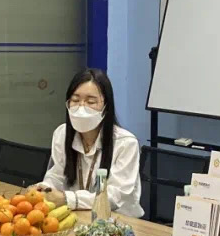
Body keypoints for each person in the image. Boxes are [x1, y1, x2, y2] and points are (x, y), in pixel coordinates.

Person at [37, 68, 142, 218]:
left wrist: (67, 199)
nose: (81, 107)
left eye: (90, 102)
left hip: (117, 221)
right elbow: (57, 175)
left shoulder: (126, 143)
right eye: (75, 100)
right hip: (77, 216)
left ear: (106, 107)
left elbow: (113, 196)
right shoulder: (62, 134)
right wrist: (44, 190)